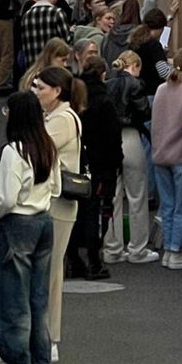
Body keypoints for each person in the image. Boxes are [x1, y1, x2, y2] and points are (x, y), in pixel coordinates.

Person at [0, 91, 61, 364]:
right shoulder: (47, 146)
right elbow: (56, 187)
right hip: (44, 220)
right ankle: (41, 361)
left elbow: (5, 198)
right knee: (37, 296)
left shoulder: (13, 152)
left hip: (17, 223)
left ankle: (19, 363)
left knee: (12, 296)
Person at [33, 65, 87, 359]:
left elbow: (36, 150)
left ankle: (48, 338)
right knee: (46, 271)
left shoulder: (63, 119)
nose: (36, 92)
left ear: (56, 91)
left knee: (50, 272)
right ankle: (41, 336)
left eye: (40, 87)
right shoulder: (57, 117)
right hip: (56, 203)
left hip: (58, 203)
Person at [102, 51, 158, 265]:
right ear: (135, 66)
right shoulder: (136, 84)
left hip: (109, 139)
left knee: (112, 196)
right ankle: (137, 249)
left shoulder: (107, 84)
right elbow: (144, 112)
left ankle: (112, 248)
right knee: (137, 195)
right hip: (130, 137)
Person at [74, 54, 123, 279]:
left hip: (79, 160)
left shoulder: (76, 96)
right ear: (103, 74)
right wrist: (116, 162)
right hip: (102, 163)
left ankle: (75, 259)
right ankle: (94, 260)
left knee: (80, 210)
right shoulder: (104, 100)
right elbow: (113, 136)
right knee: (99, 211)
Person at [151, 48, 182, 270]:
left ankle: (168, 251)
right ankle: (175, 250)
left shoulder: (161, 89)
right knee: (181, 205)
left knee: (167, 205)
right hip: (181, 153)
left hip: (160, 153)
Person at [20, 0, 72, 69]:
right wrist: (72, 31)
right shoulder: (57, 13)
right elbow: (66, 40)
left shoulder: (26, 15)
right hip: (52, 67)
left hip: (32, 67)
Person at [130, 8, 174, 97]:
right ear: (160, 28)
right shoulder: (154, 45)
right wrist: (178, 73)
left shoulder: (134, 41)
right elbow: (163, 72)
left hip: (138, 90)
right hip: (152, 91)